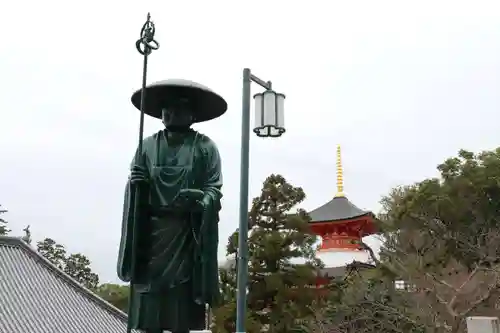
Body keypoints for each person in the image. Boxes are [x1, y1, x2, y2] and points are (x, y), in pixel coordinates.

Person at [117, 80, 227, 333]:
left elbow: (214, 189)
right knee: (149, 295)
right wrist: (136, 184)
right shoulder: (146, 145)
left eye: (178, 108)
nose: (170, 113)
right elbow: (136, 181)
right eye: (166, 108)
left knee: (181, 301)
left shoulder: (205, 147)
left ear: (192, 114)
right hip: (151, 233)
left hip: (187, 233)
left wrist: (201, 198)